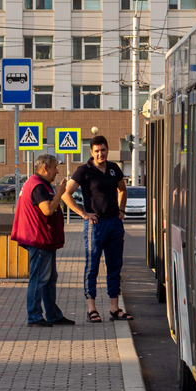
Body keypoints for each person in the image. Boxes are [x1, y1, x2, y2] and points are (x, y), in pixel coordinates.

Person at [63, 136, 132, 323]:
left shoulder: (113, 169)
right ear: (91, 152)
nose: (100, 154)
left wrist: (122, 209)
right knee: (92, 266)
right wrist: (83, 213)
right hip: (95, 224)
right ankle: (92, 309)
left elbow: (122, 190)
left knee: (114, 266)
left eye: (103, 150)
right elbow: (66, 194)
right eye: (97, 151)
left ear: (107, 150)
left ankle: (114, 309)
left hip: (114, 223)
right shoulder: (84, 171)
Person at [11, 154, 72, 328]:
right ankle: (35, 316)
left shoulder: (36, 183)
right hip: (38, 239)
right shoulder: (37, 185)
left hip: (42, 238)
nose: (57, 171)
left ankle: (52, 314)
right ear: (45, 168)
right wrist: (59, 193)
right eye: (54, 167)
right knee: (39, 278)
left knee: (49, 278)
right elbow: (47, 210)